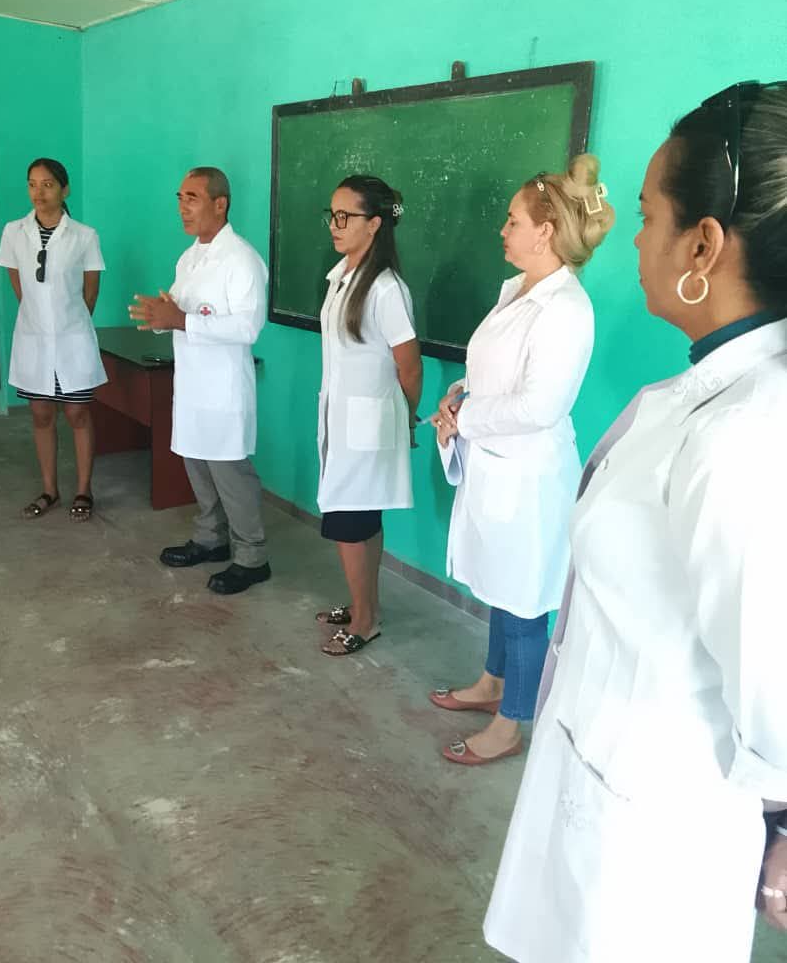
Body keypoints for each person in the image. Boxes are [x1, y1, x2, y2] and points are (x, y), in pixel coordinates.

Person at [484, 82, 787, 963]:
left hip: (658, 821)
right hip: (607, 770)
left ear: (704, 243)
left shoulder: (748, 430)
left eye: (650, 217)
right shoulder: (700, 395)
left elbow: (771, 664)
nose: (635, 242)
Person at [428, 155, 614, 765]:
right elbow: (495, 372)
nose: (502, 230)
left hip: (528, 475)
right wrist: (460, 394)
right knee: (501, 585)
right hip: (495, 463)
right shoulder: (518, 291)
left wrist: (468, 418)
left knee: (526, 601)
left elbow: (539, 405)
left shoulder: (565, 309)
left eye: (511, 221)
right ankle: (492, 682)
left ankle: (510, 725)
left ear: (545, 231)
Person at [129, 167, 270, 596]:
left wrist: (182, 319)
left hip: (224, 389)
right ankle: (211, 538)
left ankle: (252, 557)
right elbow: (180, 311)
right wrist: (161, 316)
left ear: (220, 204)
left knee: (230, 473)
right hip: (191, 386)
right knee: (197, 464)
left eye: (192, 197)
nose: (182, 207)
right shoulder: (190, 257)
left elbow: (248, 327)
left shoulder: (242, 259)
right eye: (179, 197)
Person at [316, 175, 422, 656]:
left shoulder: (385, 289)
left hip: (368, 425)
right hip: (344, 421)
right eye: (332, 216)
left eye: (346, 217)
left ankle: (365, 620)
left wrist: (405, 419)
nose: (335, 226)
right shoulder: (343, 276)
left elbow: (409, 364)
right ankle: (365, 605)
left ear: (374, 224)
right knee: (360, 520)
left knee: (349, 522)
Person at [0, 157, 106, 522]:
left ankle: (84, 489)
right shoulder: (14, 232)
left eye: (47, 184)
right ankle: (49, 489)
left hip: (73, 338)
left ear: (64, 189)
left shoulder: (85, 235)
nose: (38, 192)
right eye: (32, 184)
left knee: (76, 412)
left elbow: (90, 292)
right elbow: (18, 283)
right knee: (41, 413)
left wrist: (66, 324)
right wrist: (39, 319)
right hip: (33, 339)